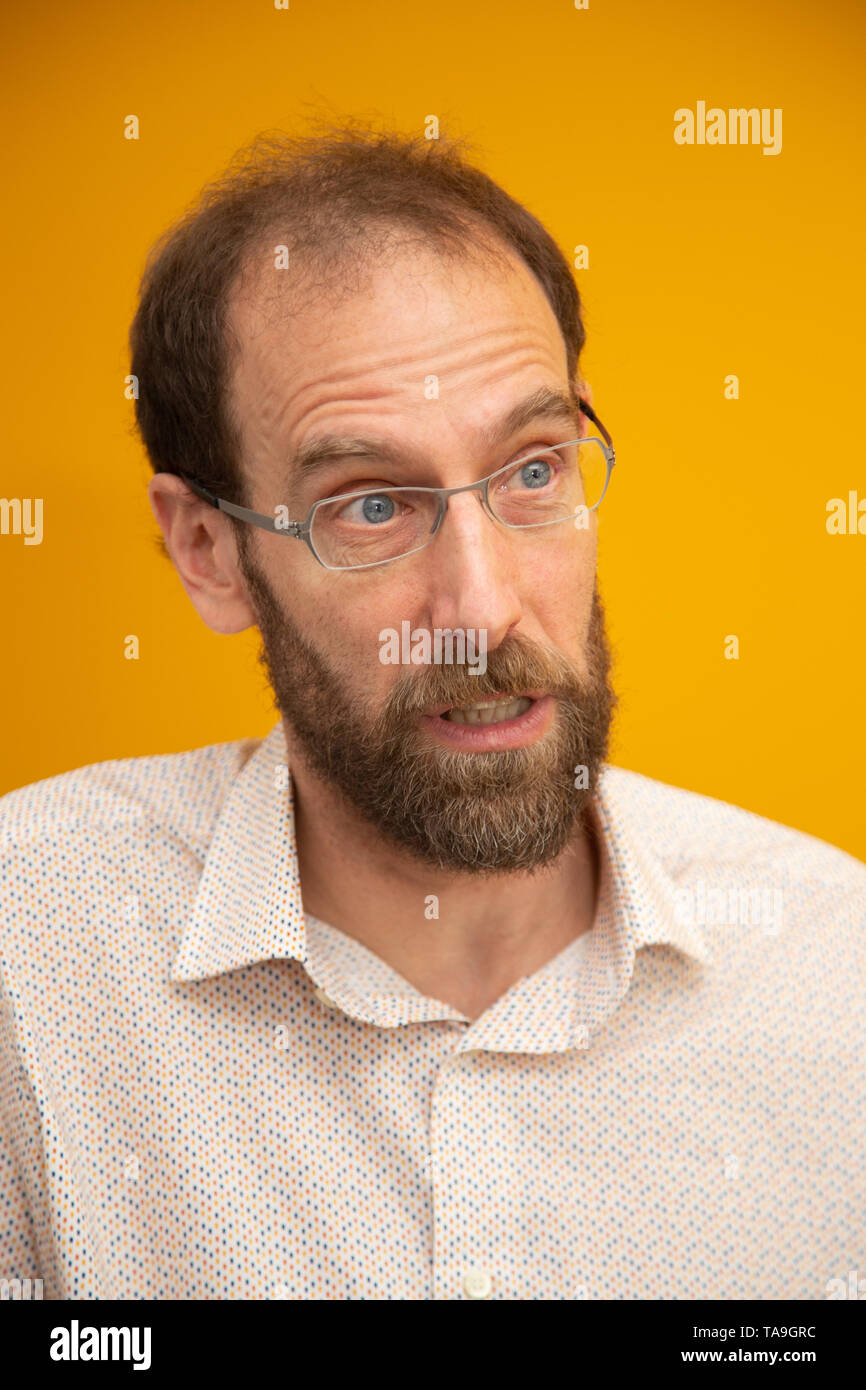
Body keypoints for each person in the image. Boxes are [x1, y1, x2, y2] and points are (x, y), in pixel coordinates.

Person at [1, 124, 864, 1302]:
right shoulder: (34, 953)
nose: (482, 605)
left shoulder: (834, 971)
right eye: (367, 507)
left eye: (529, 470)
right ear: (207, 552)